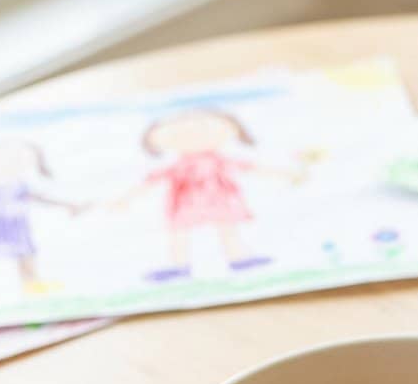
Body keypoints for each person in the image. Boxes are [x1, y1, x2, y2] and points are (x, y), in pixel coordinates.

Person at [115, 108, 301, 281]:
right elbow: (151, 181)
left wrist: (285, 173)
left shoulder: (220, 160)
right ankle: (180, 265)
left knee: (226, 228)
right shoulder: (179, 166)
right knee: (180, 232)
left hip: (219, 199)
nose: (194, 135)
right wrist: (126, 199)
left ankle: (238, 259)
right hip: (187, 203)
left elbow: (250, 167)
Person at [0, 140, 81, 293]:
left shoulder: (15, 183)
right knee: (24, 257)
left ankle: (33, 288)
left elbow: (38, 197)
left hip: (14, 225)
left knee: (26, 259)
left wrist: (68, 205)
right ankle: (32, 287)